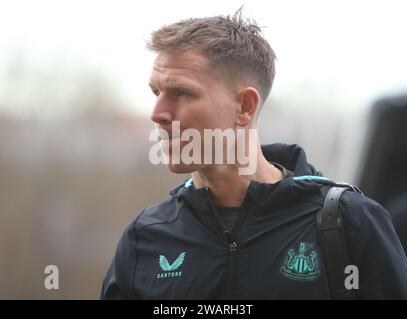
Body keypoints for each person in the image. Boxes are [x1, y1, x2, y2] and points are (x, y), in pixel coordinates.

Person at [101, 11, 407, 299]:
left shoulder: (349, 222)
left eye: (181, 93)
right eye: (156, 93)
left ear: (245, 106)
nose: (157, 114)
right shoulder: (145, 237)